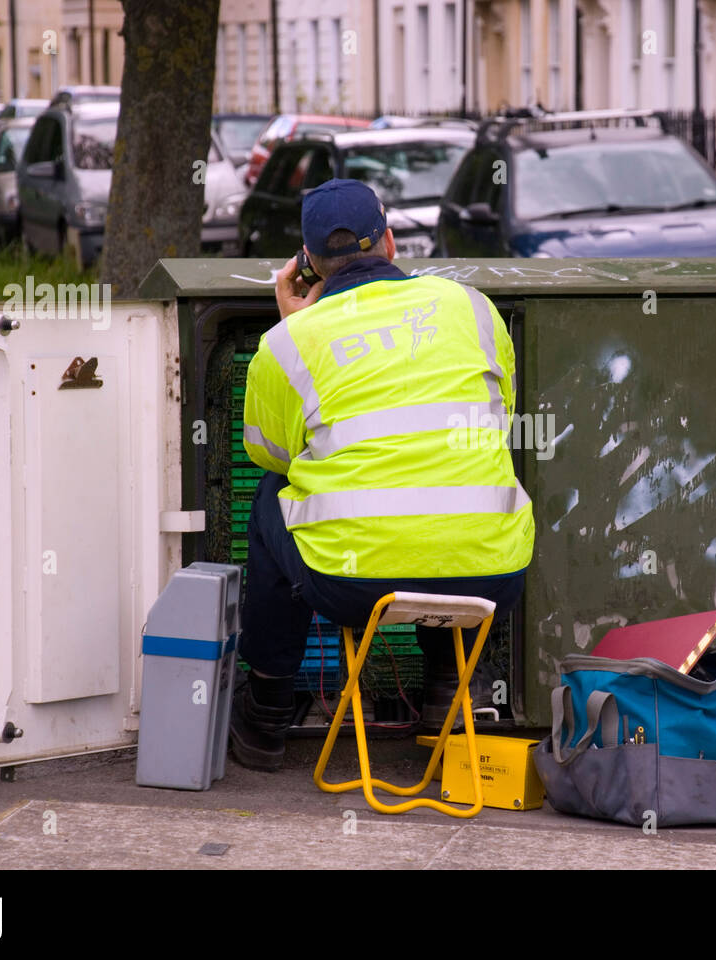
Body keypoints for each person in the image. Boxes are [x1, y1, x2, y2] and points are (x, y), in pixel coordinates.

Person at [230, 178, 534, 771]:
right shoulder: (471, 307)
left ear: (306, 263)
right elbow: (502, 417)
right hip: (493, 579)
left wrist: (294, 324)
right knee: (457, 489)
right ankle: (449, 687)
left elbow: (270, 454)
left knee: (271, 495)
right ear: (391, 243)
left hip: (349, 586)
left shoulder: (289, 341)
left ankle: (265, 713)